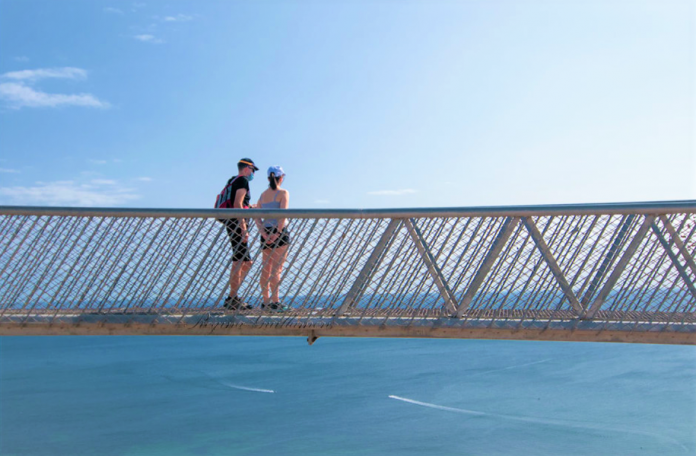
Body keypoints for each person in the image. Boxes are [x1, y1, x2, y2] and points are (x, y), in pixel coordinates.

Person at [223, 158, 259, 310]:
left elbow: (238, 203)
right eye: (253, 170)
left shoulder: (232, 180)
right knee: (241, 262)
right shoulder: (243, 181)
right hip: (237, 224)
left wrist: (249, 207)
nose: (253, 174)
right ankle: (232, 297)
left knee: (242, 261)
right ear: (247, 168)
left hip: (232, 222)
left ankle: (233, 296)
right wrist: (244, 228)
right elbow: (237, 204)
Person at [254, 166, 291, 311]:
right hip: (279, 233)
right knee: (277, 269)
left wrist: (262, 231)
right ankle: (276, 302)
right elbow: (282, 215)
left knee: (266, 268)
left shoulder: (263, 195)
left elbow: (256, 215)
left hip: (266, 233)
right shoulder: (283, 193)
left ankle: (265, 302)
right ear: (281, 178)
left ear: (268, 178)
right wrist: (278, 233)